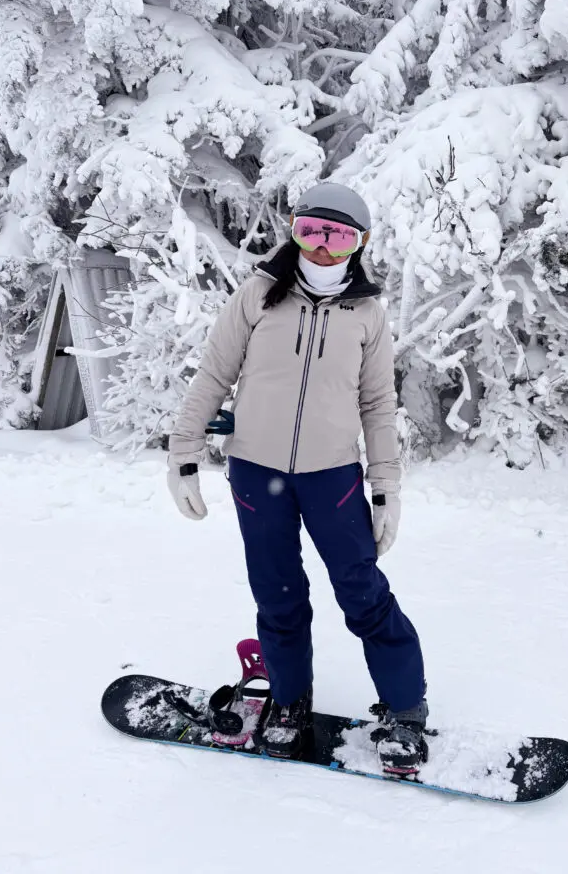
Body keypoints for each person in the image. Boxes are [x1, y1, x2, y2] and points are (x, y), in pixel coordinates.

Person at [166, 182, 428, 771]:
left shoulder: (368, 313)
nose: (323, 249)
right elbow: (212, 375)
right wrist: (183, 452)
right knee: (278, 593)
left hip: (332, 476)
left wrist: (385, 485)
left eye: (340, 238)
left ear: (359, 245)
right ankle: (288, 702)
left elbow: (378, 403)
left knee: (362, 594)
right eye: (312, 232)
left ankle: (405, 707)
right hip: (255, 474)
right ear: (293, 229)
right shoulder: (259, 294)